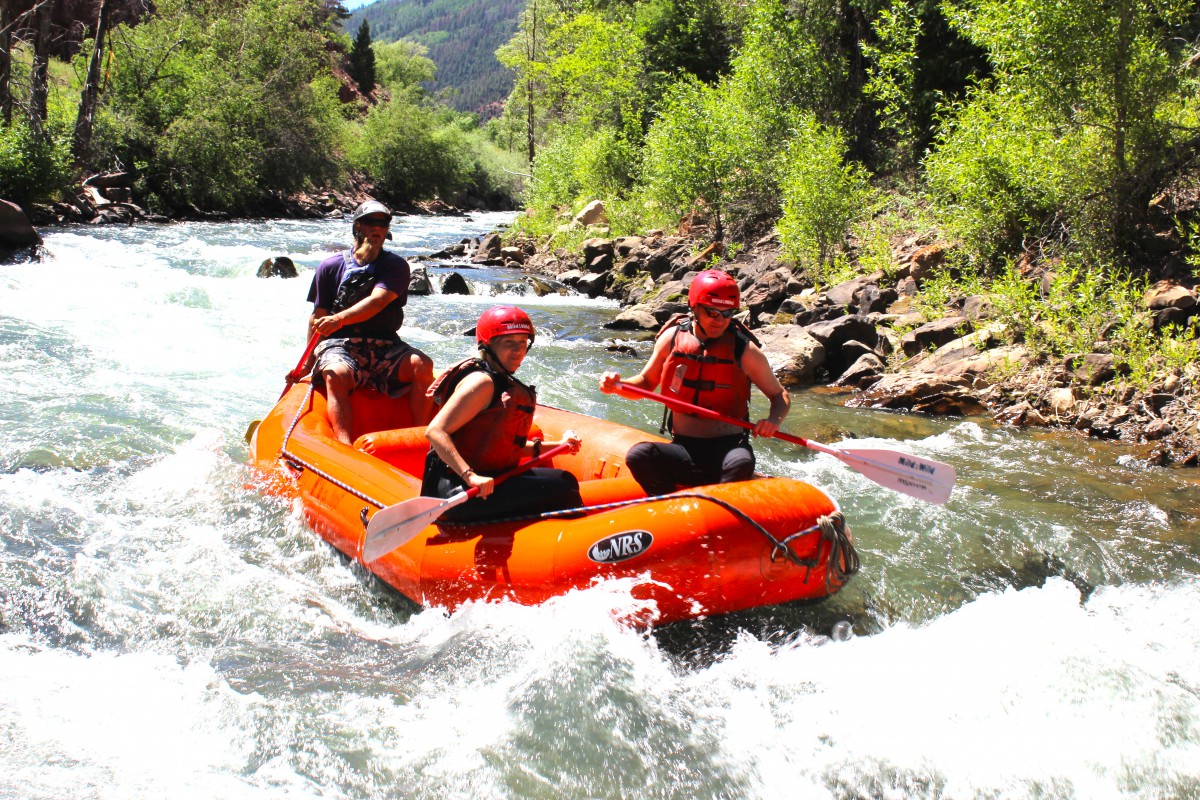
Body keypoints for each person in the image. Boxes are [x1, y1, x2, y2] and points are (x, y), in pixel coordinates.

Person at [598, 268, 790, 495]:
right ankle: (672, 508)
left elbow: (780, 396)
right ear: (695, 307)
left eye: (728, 314)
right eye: (712, 312)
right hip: (684, 448)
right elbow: (646, 383)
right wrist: (618, 386)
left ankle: (717, 511)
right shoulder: (672, 339)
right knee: (639, 455)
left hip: (729, 448)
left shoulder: (745, 350)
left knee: (740, 463)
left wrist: (773, 420)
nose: (720, 321)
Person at [421, 305, 583, 522]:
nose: (517, 351)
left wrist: (559, 446)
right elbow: (435, 432)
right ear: (487, 345)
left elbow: (500, 446)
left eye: (522, 343)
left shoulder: (497, 379)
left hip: (487, 483)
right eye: (509, 343)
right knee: (564, 486)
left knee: (562, 479)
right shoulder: (482, 383)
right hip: (457, 492)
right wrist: (471, 477)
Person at [307, 200, 434, 443]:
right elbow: (317, 315)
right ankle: (344, 446)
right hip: (339, 345)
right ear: (357, 226)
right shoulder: (330, 266)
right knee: (336, 374)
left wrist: (339, 318)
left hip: (384, 344)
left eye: (382, 223)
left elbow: (378, 301)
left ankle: (423, 442)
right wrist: (306, 363)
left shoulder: (395, 266)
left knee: (422, 364)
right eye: (370, 222)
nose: (377, 227)